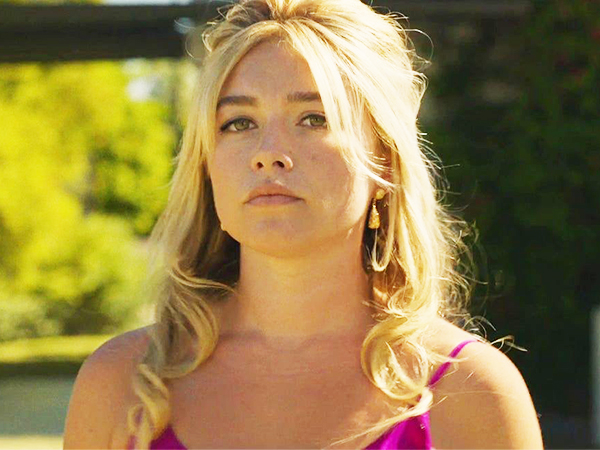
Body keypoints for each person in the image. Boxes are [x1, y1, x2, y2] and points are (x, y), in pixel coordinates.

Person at [63, 0, 544, 448]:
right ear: (206, 165)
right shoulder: (122, 384)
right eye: (239, 122)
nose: (268, 153)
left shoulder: (470, 393)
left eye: (314, 118)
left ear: (385, 160)